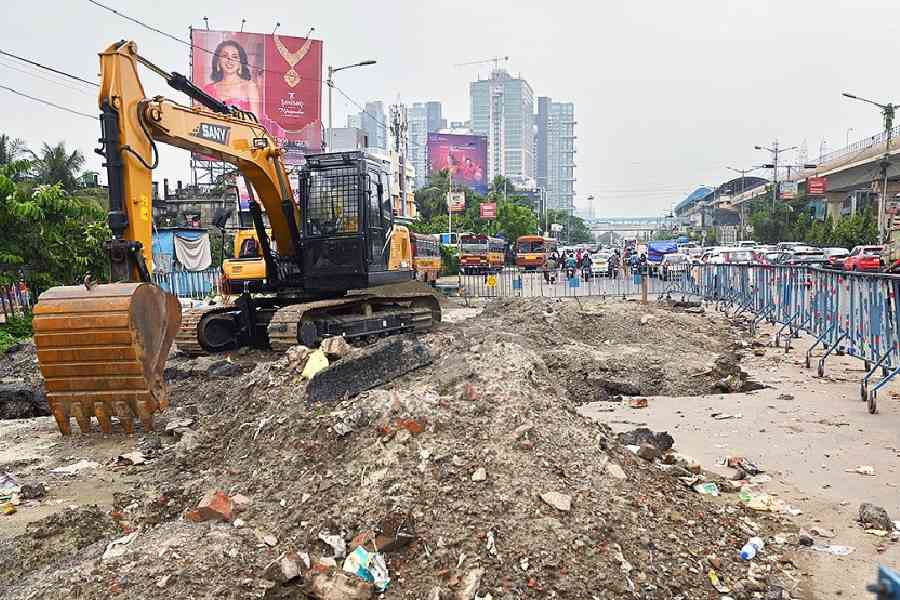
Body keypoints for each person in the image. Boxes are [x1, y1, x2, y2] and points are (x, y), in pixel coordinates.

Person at [203, 40, 261, 117]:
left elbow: (255, 120)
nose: (229, 60)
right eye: (224, 56)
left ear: (240, 62)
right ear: (218, 61)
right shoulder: (208, 89)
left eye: (234, 56)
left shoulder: (249, 86)